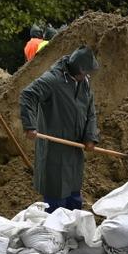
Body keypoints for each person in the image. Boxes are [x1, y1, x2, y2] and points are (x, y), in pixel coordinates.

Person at [19, 46, 100, 212]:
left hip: (75, 148)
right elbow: (28, 95)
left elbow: (90, 111)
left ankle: (72, 232)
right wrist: (30, 125)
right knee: (56, 200)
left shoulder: (83, 82)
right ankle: (55, 234)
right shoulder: (53, 80)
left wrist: (90, 137)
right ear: (80, 70)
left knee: (74, 196)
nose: (88, 76)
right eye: (86, 72)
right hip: (54, 150)